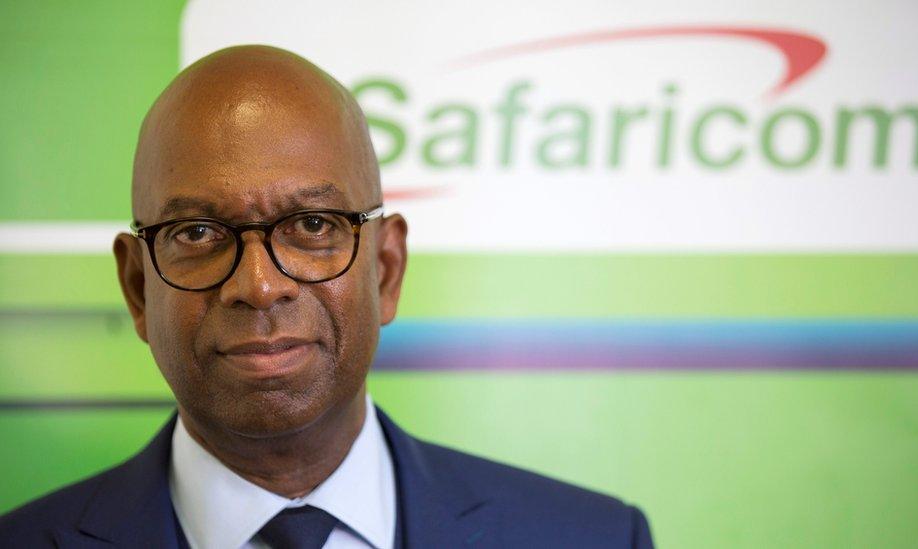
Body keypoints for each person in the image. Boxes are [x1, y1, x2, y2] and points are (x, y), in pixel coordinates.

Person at [0, 45, 653, 548]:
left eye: (313, 225)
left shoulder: (590, 536)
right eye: (197, 231)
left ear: (386, 268)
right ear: (138, 287)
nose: (258, 286)